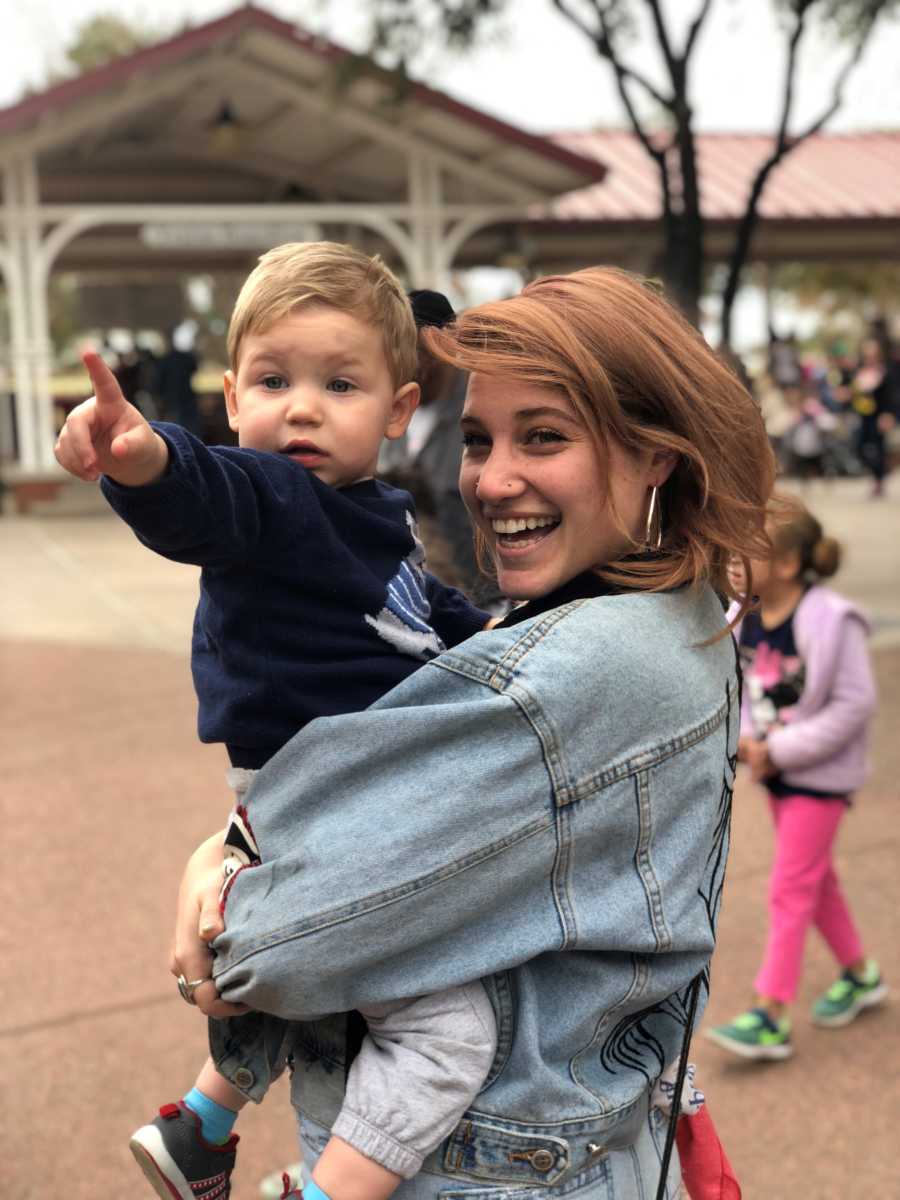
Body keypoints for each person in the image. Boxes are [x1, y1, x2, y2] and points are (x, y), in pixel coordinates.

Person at [170, 266, 775, 1199]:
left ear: (656, 454)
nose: (493, 481)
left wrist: (219, 874)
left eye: (545, 438)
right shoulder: (675, 613)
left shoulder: (562, 680)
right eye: (480, 438)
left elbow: (265, 953)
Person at [53, 241, 498, 1200]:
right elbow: (203, 496)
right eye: (273, 379)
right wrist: (142, 462)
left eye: (339, 383)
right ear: (231, 397)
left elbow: (429, 616)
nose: (300, 406)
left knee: (319, 977)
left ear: (399, 411)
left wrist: (508, 637)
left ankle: (203, 1123)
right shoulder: (277, 497)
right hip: (326, 797)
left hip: (331, 796)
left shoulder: (371, 514)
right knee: (448, 1031)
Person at [706, 493, 886, 1062]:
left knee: (789, 886)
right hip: (778, 770)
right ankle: (860, 975)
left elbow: (854, 704)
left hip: (820, 777)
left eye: (747, 550)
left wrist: (776, 748)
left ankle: (770, 1013)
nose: (732, 559)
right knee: (815, 880)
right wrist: (743, 742)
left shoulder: (832, 620)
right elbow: (737, 687)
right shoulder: (746, 612)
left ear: (786, 563)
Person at [850, 337, 897, 498]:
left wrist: (889, 415)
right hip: (863, 415)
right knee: (859, 447)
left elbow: (891, 395)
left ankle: (879, 481)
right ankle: (881, 471)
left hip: (879, 416)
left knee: (879, 449)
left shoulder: (886, 371)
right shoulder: (860, 371)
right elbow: (854, 392)